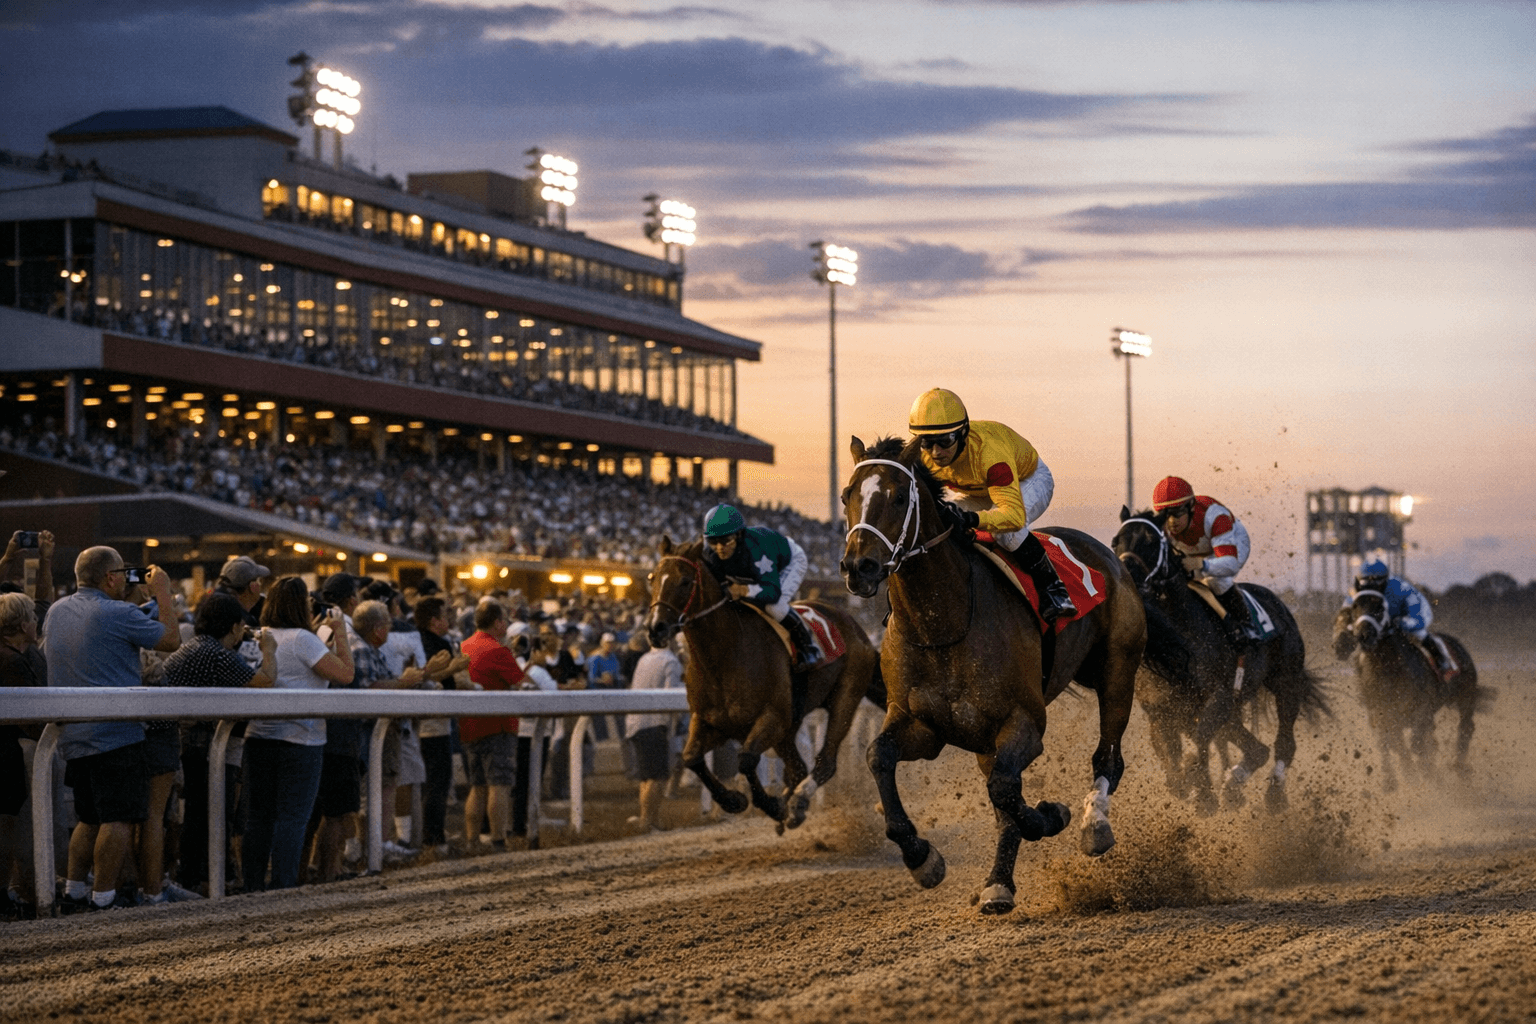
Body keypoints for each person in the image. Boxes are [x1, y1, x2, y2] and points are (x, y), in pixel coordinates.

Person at [44, 546, 181, 913]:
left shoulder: (56, 611)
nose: (126, 578)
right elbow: (171, 640)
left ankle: (73, 892)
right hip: (116, 735)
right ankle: (103, 899)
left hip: (73, 734)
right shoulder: (118, 612)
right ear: (111, 577)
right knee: (117, 818)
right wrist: (163, 593)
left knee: (88, 818)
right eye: (123, 573)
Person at [907, 388, 1076, 623]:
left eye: (945, 441)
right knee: (942, 523)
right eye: (927, 442)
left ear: (963, 433)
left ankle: (1054, 590)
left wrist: (974, 520)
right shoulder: (921, 457)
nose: (936, 452)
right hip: (979, 489)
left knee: (1007, 533)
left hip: (1029, 480)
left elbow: (1014, 516)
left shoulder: (990, 454)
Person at [164, 591, 278, 896]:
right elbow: (266, 680)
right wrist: (269, 649)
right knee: (211, 813)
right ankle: (202, 879)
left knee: (198, 815)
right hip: (200, 744)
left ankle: (193, 877)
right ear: (234, 626)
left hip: (184, 740)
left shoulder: (197, 647)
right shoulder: (216, 653)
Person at [245, 576, 353, 892]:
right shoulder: (303, 639)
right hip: (301, 739)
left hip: (259, 736)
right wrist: (341, 633)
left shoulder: (260, 635)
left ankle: (251, 885)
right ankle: (282, 886)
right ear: (299, 604)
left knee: (258, 818)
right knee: (291, 819)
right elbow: (346, 674)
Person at [349, 600, 431, 863]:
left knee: (384, 791)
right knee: (376, 794)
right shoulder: (361, 650)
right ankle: (375, 848)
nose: (390, 629)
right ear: (376, 629)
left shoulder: (371, 650)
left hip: (384, 733)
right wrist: (403, 682)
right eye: (387, 624)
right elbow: (367, 689)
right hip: (371, 734)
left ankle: (379, 845)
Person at [0, 529, 52, 920]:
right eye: (32, 617)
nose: (39, 619)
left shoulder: (25, 649)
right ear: (21, 625)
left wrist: (44, 560)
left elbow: (43, 601)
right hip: (11, 750)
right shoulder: (12, 659)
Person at [700, 503, 822, 668]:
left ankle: (808, 647)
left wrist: (743, 590)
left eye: (726, 540)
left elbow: (772, 592)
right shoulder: (709, 552)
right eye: (713, 541)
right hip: (754, 573)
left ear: (739, 535)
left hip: (788, 563)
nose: (720, 548)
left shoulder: (756, 549)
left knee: (774, 607)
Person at [1151, 475, 1260, 644]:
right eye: (1165, 514)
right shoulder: (1160, 527)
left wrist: (1203, 564)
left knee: (1216, 580)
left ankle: (1246, 625)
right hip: (1195, 551)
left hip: (1232, 543)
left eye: (1177, 512)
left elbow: (1230, 565)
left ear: (1191, 507)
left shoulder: (1215, 517)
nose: (1171, 521)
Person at [459, 600, 525, 850]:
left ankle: (472, 840)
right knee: (499, 784)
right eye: (505, 620)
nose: (506, 624)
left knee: (477, 786)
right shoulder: (498, 650)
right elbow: (522, 681)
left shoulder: (465, 646)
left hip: (469, 725)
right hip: (498, 726)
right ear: (498, 622)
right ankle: (498, 839)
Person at [1351, 559, 1456, 681]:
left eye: (1375, 580)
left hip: (1413, 616)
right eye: (1366, 580)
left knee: (1419, 634)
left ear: (1385, 579)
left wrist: (1402, 623)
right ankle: (1362, 678)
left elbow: (1418, 618)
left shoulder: (1402, 589)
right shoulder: (1360, 593)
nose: (1370, 584)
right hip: (1385, 623)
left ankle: (1443, 664)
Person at [624, 634, 685, 832]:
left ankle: (650, 819)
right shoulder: (670, 661)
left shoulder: (645, 658)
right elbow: (671, 698)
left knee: (647, 776)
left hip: (636, 722)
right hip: (654, 723)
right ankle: (647, 822)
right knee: (657, 777)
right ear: (667, 641)